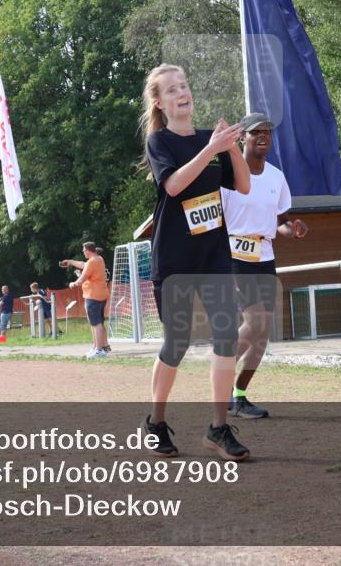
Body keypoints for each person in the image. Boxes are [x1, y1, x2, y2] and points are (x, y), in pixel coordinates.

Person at [140, 64, 251, 461]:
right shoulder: (161, 142)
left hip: (214, 256)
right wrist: (212, 150)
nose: (181, 92)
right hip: (175, 260)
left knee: (226, 334)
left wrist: (232, 147)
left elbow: (242, 185)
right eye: (172, 89)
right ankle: (155, 421)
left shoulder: (211, 140)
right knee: (178, 342)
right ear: (160, 102)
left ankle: (218, 429)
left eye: (184, 86)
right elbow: (173, 185)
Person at [221, 112, 310, 419]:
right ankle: (220, 374)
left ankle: (239, 396)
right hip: (234, 255)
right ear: (241, 138)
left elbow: (281, 223)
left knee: (262, 333)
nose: (263, 137)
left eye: (268, 133)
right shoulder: (227, 176)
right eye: (256, 132)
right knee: (255, 321)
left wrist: (293, 229)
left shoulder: (276, 177)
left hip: (265, 255)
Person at [63, 242, 110, 357]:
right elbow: (83, 264)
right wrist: (70, 262)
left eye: (83, 250)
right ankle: (98, 347)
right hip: (101, 295)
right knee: (97, 323)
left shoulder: (91, 262)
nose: (83, 252)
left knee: (96, 323)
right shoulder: (99, 259)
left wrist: (72, 284)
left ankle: (99, 350)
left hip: (92, 295)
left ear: (88, 250)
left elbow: (81, 280)